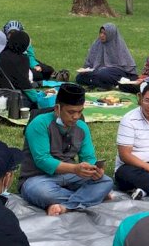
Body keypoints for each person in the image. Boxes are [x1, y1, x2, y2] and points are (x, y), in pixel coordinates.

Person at [19, 83, 114, 216]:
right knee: (41, 192)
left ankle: (66, 206)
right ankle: (90, 197)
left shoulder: (81, 127)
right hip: (38, 178)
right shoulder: (39, 124)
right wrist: (75, 169)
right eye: (71, 112)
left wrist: (93, 171)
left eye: (80, 112)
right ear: (57, 109)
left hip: (71, 176)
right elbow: (43, 160)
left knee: (106, 181)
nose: (76, 117)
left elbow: (88, 158)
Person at [76, 23, 137, 90]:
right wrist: (85, 70)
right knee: (79, 77)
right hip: (97, 70)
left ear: (111, 34)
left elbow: (126, 67)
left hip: (114, 72)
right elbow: (90, 63)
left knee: (103, 74)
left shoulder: (118, 45)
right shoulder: (97, 44)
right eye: (101, 33)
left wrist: (104, 69)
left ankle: (96, 83)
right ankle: (104, 85)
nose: (101, 35)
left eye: (105, 34)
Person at [0, 30, 42, 109]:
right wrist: (39, 98)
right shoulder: (21, 60)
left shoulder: (3, 54)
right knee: (37, 103)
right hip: (11, 101)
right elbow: (25, 85)